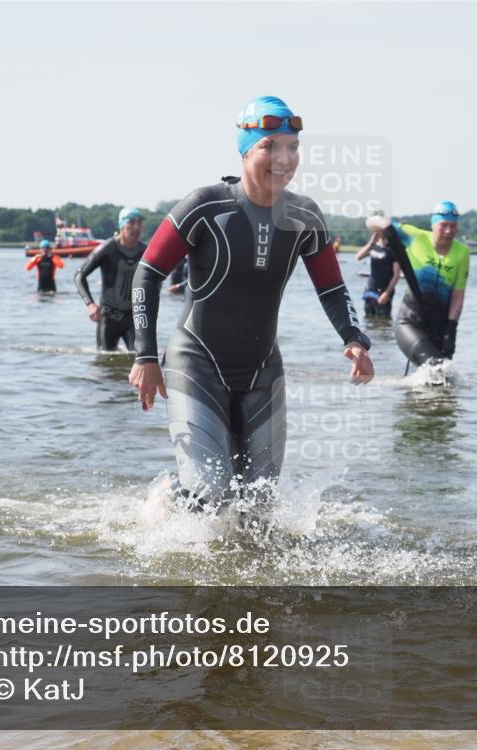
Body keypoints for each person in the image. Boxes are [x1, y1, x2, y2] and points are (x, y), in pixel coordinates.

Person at [128, 95, 374, 510]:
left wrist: (353, 337)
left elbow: (331, 287)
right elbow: (147, 273)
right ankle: (171, 498)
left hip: (263, 373)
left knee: (259, 508)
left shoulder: (305, 217)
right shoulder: (205, 206)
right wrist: (146, 356)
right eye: (269, 146)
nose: (284, 158)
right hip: (197, 365)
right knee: (212, 495)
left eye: (292, 147)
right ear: (245, 150)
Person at [366, 201, 469, 366]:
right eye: (444, 225)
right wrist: (383, 223)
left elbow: (458, 294)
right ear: (433, 225)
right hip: (410, 322)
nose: (449, 231)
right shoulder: (416, 236)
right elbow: (370, 222)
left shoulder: (462, 252)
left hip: (439, 327)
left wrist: (451, 330)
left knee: (440, 376)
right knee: (437, 369)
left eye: (453, 226)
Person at [74, 207, 147, 350]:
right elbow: (79, 275)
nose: (136, 227)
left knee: (139, 358)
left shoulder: (145, 251)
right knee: (105, 362)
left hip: (133, 318)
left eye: (139, 223)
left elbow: (155, 282)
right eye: (131, 223)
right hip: (108, 318)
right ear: (122, 225)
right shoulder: (108, 248)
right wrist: (90, 304)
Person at [355, 230, 400, 317]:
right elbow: (358, 257)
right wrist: (371, 242)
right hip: (370, 289)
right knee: (368, 319)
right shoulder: (373, 246)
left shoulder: (393, 249)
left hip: (384, 291)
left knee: (383, 322)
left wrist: (386, 294)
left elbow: (396, 275)